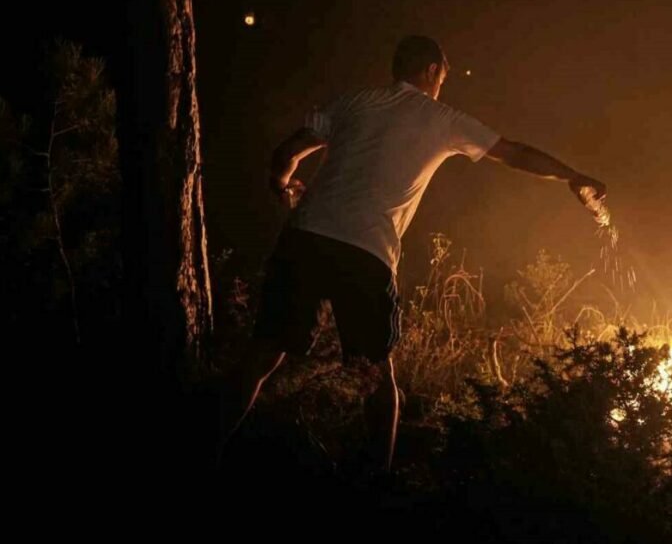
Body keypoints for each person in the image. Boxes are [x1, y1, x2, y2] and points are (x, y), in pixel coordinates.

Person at [218, 35, 606, 470]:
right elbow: (513, 153)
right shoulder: (441, 118)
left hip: (305, 239)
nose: (444, 84)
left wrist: (285, 186)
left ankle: (201, 447)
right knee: (377, 380)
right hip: (365, 253)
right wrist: (572, 175)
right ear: (432, 71)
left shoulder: (354, 101)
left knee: (261, 357)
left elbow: (286, 154)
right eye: (444, 75)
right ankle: (377, 487)